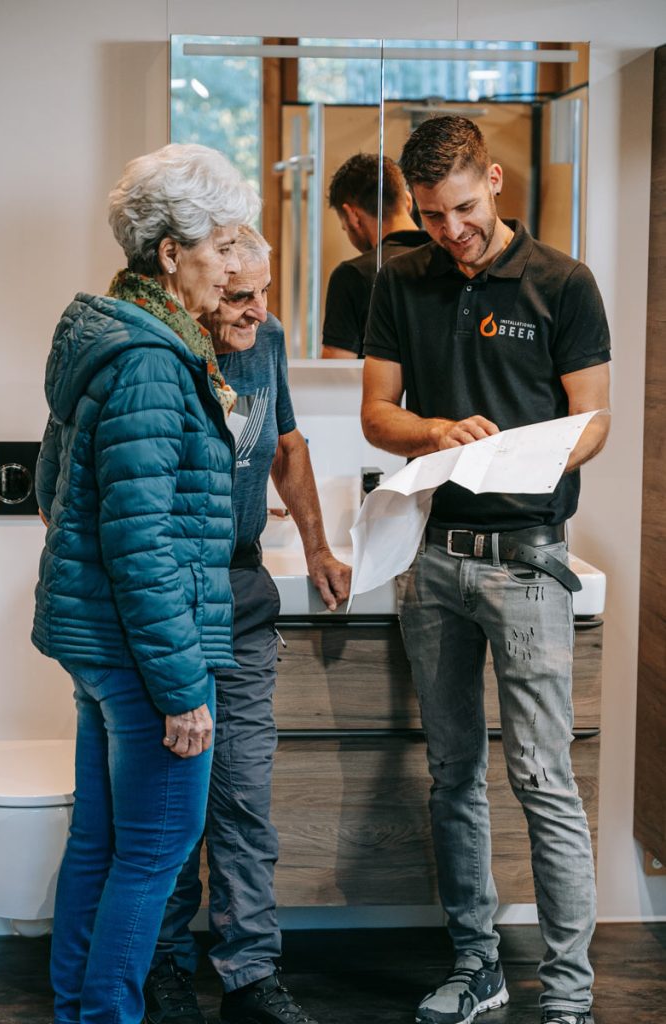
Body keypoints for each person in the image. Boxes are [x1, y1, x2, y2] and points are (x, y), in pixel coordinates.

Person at [361, 116, 611, 1024]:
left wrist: (527, 457)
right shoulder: (403, 279)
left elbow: (595, 419)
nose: (449, 231)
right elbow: (377, 414)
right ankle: (479, 966)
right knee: (453, 774)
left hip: (530, 563)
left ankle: (572, 999)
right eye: (429, 216)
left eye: (462, 209)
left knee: (543, 779)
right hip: (432, 564)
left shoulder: (563, 284)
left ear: (494, 183)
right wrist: (436, 431)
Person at [31, 143, 260, 1024]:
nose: (236, 265)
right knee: (153, 855)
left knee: (100, 843)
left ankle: (78, 1012)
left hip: (96, 646)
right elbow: (140, 542)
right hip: (144, 655)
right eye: (222, 246)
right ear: (171, 254)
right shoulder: (157, 362)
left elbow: (57, 492)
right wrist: (179, 686)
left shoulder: (103, 339)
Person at [143, 225, 351, 1024]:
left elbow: (288, 449)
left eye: (265, 293)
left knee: (242, 804)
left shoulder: (263, 343)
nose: (258, 313)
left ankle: (250, 976)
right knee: (171, 807)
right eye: (239, 298)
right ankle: (163, 967)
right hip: (172, 608)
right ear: (186, 282)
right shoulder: (155, 355)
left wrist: (320, 546)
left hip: (246, 605)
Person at [321, 153, 429, 359]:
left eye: (345, 228)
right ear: (408, 201)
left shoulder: (351, 276)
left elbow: (335, 375)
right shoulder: (448, 259)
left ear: (352, 216)